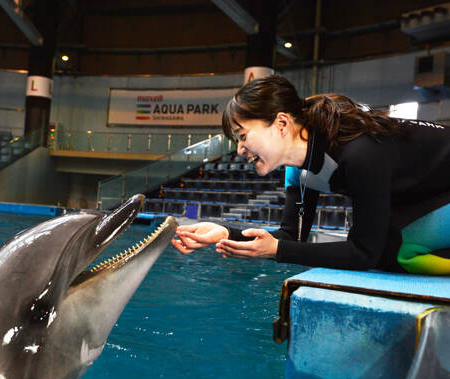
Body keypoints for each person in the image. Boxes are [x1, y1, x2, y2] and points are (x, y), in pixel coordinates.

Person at [171, 75, 450, 275]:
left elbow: (363, 254)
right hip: (422, 194)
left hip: (439, 188)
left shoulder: (359, 153)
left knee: (393, 250)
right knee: (388, 248)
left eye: (242, 137)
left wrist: (277, 251)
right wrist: (225, 232)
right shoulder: (297, 171)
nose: (240, 150)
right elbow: (291, 237)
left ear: (281, 123)